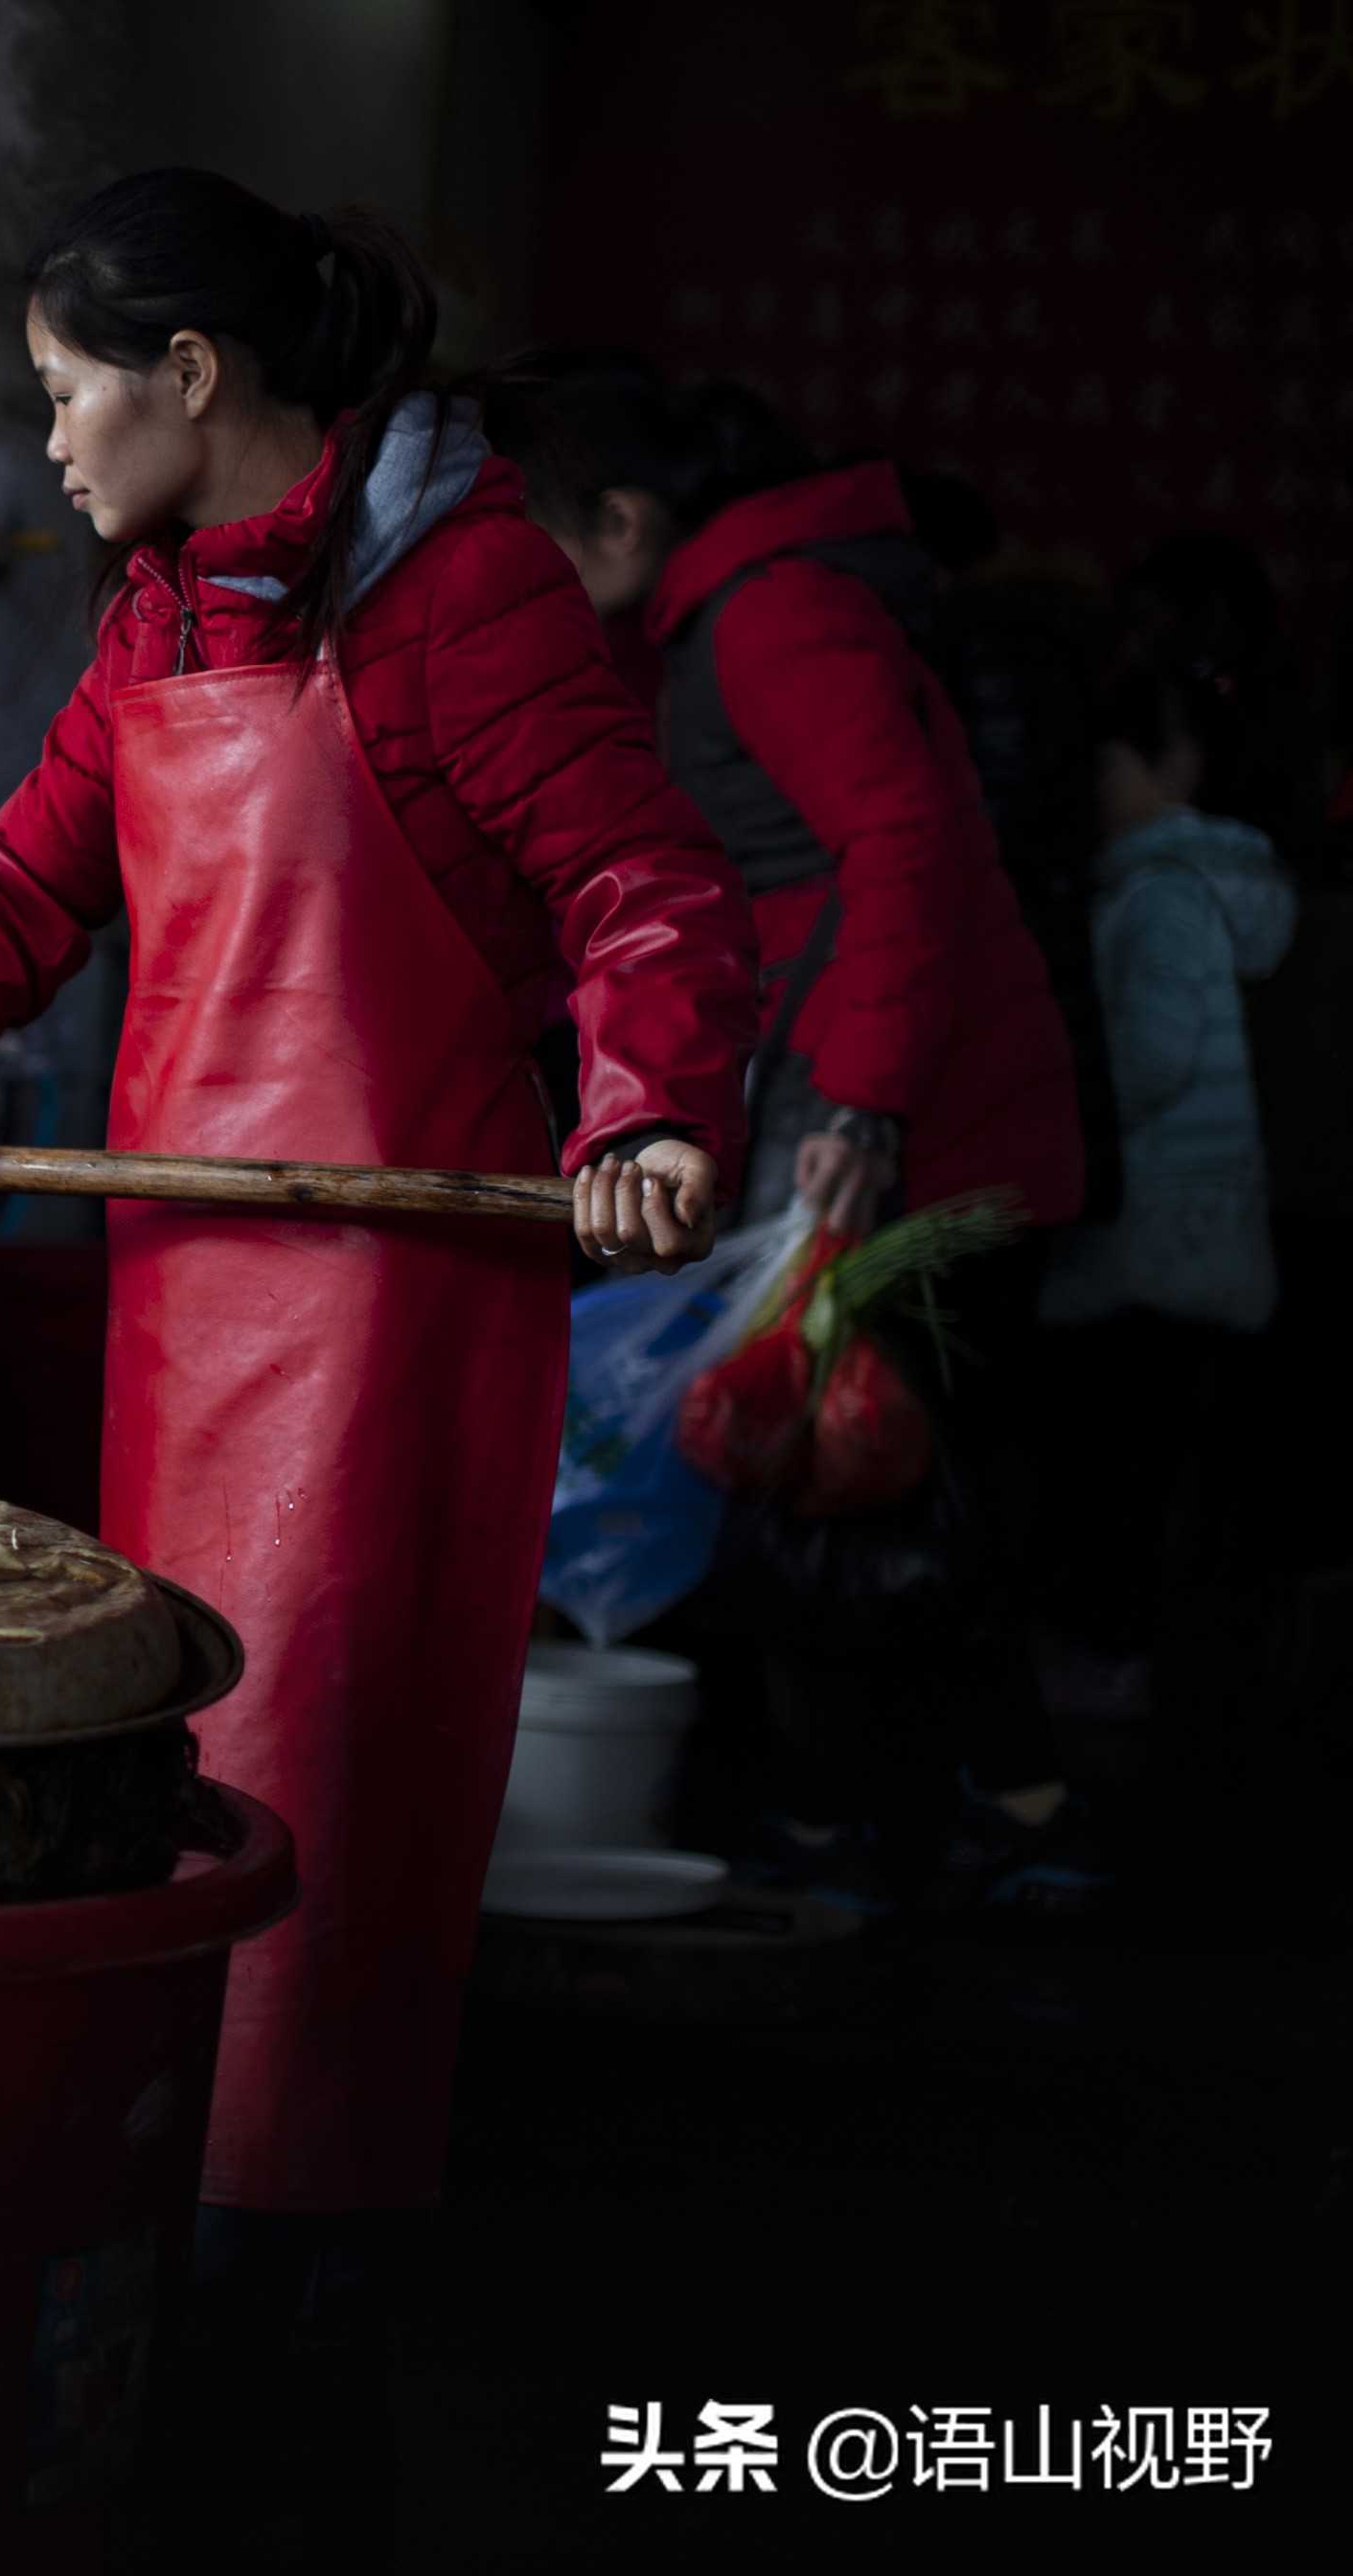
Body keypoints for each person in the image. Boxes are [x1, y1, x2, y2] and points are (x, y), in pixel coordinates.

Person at [0, 171, 760, 2516]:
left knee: (314, 1907)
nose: (59, 445)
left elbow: (641, 891)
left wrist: (651, 1112)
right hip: (190, 1319)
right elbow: (11, 888)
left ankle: (274, 2445)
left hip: (390, 1343)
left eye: (73, 395)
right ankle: (166, 2405)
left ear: (193, 376)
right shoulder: (156, 621)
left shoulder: (457, 595)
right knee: (177, 1828)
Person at [511, 373, 1096, 1911]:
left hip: (901, 1134)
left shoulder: (771, 617)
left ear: (624, 521)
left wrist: (860, 1105)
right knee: (846, 1480)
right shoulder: (725, 616)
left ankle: (959, 1822)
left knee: (853, 1484)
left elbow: (903, 855)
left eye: (540, 542)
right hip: (871, 1115)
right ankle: (898, 1817)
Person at [1034, 655, 1297, 1711]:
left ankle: (1105, 1667)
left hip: (1149, 1226)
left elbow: (1145, 1062)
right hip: (1208, 1226)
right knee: (1153, 1466)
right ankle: (1123, 1660)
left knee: (1115, 1467)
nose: (1095, 788)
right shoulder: (1226, 887)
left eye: (1106, 764)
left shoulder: (1158, 895)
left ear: (1162, 765)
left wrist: (1057, 1108)